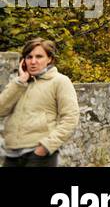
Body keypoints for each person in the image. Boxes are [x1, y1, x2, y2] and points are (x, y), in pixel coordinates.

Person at [0, 38, 80, 166]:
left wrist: (45, 147)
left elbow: (71, 118)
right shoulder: (19, 83)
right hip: (12, 154)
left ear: (50, 59)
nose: (33, 61)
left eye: (39, 56)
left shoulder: (60, 81)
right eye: (29, 57)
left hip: (38, 155)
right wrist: (19, 83)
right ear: (23, 61)